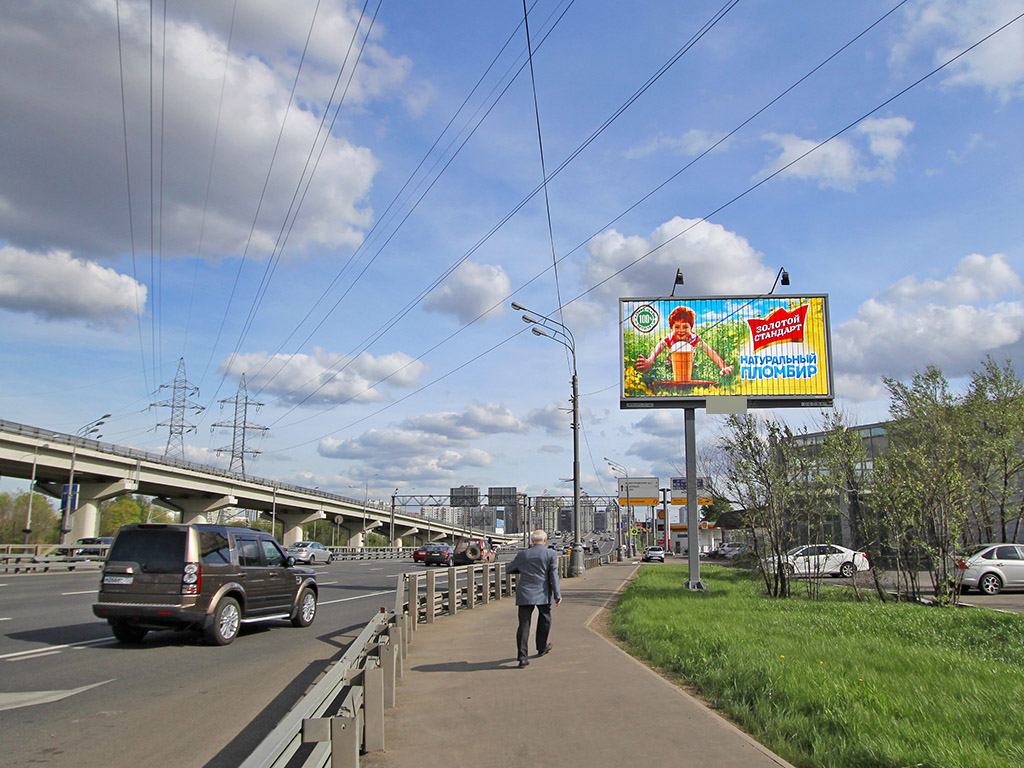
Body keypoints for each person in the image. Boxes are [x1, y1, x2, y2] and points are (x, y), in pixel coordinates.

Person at [506, 529, 562, 668]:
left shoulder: (523, 554)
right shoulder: (550, 554)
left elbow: (509, 569)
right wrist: (557, 594)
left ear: (532, 540)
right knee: (545, 620)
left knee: (524, 625)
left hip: (525, 593)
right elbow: (553, 576)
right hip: (543, 592)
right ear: (544, 541)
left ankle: (522, 657)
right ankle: (541, 647)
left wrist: (523, 570)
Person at [636, 305, 733, 383]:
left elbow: (710, 352)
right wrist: (650, 360)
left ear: (691, 328)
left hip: (689, 364)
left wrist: (723, 366)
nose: (681, 330)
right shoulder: (669, 338)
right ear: (671, 328)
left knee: (692, 373)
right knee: (671, 375)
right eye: (677, 327)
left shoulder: (694, 338)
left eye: (685, 327)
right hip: (671, 364)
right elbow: (657, 349)